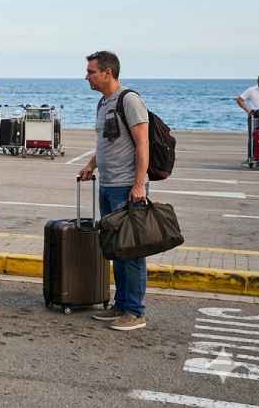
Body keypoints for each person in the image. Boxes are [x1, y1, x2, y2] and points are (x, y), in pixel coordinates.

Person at [77, 51, 150, 331]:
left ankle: (135, 311)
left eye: (91, 71)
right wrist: (90, 166)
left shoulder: (129, 100)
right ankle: (121, 305)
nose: (87, 76)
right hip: (107, 185)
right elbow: (106, 142)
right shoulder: (103, 102)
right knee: (116, 249)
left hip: (126, 188)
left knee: (131, 250)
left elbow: (142, 144)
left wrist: (139, 184)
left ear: (108, 72)